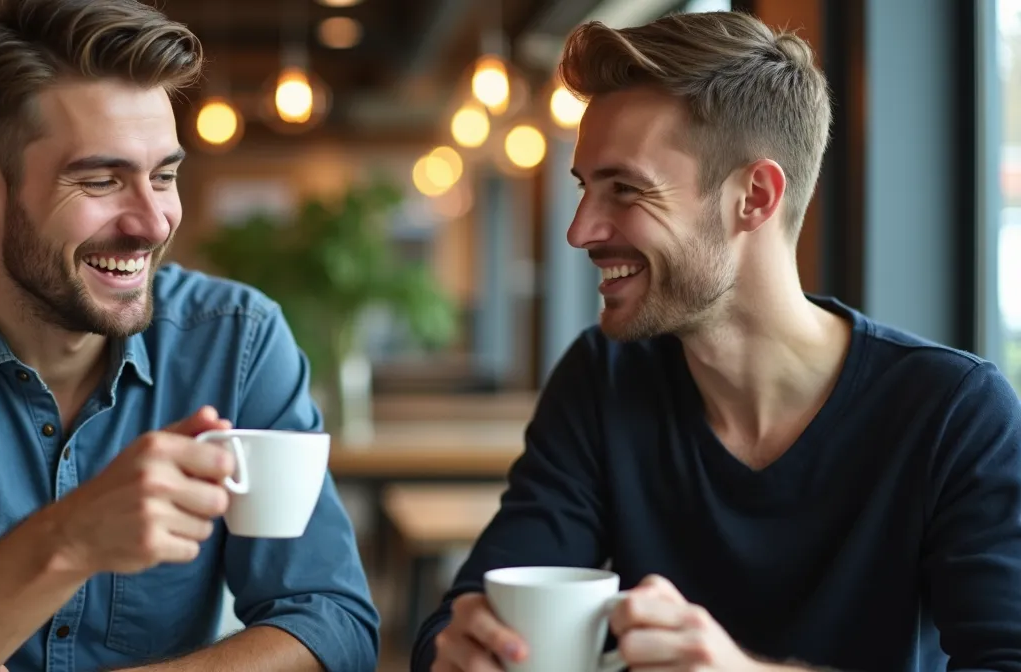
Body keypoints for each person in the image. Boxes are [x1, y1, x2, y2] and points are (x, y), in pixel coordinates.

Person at [0, 1, 379, 671]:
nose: (153, 223)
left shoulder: (237, 342)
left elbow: (332, 623)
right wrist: (71, 539)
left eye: (165, 176)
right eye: (101, 179)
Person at [414, 10, 1021, 672]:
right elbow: (469, 613)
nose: (581, 231)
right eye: (586, 189)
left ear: (754, 198)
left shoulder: (953, 412)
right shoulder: (605, 376)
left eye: (626, 190)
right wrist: (465, 646)